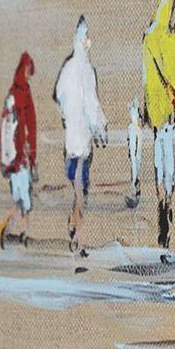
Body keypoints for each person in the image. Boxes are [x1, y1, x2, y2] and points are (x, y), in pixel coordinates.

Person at [142, 0, 175, 257]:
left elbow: (145, 78)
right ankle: (167, 203)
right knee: (169, 165)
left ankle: (161, 201)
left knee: (159, 164)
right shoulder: (173, 40)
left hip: (155, 116)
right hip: (170, 116)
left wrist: (146, 109)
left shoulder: (148, 39)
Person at [56, 18, 109, 254]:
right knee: (81, 191)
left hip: (70, 141)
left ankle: (76, 229)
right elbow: (92, 105)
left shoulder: (67, 69)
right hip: (84, 142)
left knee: (77, 188)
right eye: (87, 38)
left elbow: (59, 96)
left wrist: (66, 118)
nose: (89, 42)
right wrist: (100, 129)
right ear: (82, 41)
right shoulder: (87, 71)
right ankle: (78, 236)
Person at [0, 52, 37, 247]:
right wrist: (28, 153)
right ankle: (19, 232)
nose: (29, 74)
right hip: (18, 156)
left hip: (16, 156)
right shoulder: (19, 93)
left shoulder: (16, 93)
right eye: (28, 70)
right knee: (24, 198)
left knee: (20, 197)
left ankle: (14, 231)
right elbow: (24, 125)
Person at [126, 98, 143, 209]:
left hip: (135, 154)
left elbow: (134, 145)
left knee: (134, 166)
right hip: (136, 153)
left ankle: (134, 188)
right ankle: (135, 188)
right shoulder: (137, 129)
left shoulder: (133, 129)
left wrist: (133, 153)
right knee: (135, 166)